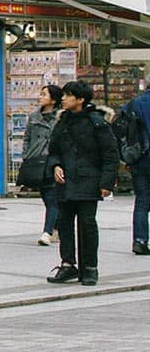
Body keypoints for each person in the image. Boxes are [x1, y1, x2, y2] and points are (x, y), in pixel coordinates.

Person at [45, 80, 118, 287]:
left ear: (80, 99)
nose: (64, 98)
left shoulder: (97, 122)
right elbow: (54, 150)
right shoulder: (63, 121)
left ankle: (90, 267)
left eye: (68, 95)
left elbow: (110, 153)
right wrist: (56, 166)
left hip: (89, 180)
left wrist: (106, 183)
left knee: (87, 224)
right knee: (65, 223)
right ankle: (68, 264)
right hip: (65, 182)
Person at [20, 84, 61, 247]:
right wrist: (26, 155)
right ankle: (57, 228)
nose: (40, 97)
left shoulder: (61, 117)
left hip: (53, 161)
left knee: (52, 198)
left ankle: (47, 232)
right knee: (47, 197)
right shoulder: (34, 116)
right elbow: (27, 137)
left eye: (44, 94)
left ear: (54, 99)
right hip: (36, 161)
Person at [125, 83, 150, 257]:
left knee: (142, 199)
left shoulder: (134, 103)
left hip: (139, 159)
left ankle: (140, 240)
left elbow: (120, 128)